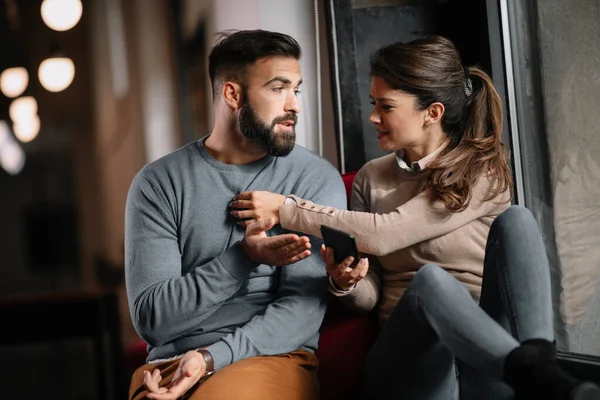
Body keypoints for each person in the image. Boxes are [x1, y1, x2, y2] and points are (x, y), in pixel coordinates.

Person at [229, 36, 600, 400]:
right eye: (373, 103)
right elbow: (370, 294)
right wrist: (348, 283)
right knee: (430, 283)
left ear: (432, 113)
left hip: (488, 364)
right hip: (410, 366)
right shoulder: (371, 178)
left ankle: (537, 361)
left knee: (518, 220)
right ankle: (532, 373)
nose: (373, 116)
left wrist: (286, 208)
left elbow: (384, 234)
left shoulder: (481, 172)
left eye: (386, 106)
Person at [124, 29, 346, 400]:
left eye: (297, 89)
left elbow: (301, 308)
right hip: (168, 364)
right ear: (232, 94)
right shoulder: (158, 183)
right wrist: (242, 258)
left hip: (272, 356)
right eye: (279, 89)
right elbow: (153, 320)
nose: (295, 105)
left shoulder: (313, 179)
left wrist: (211, 358)